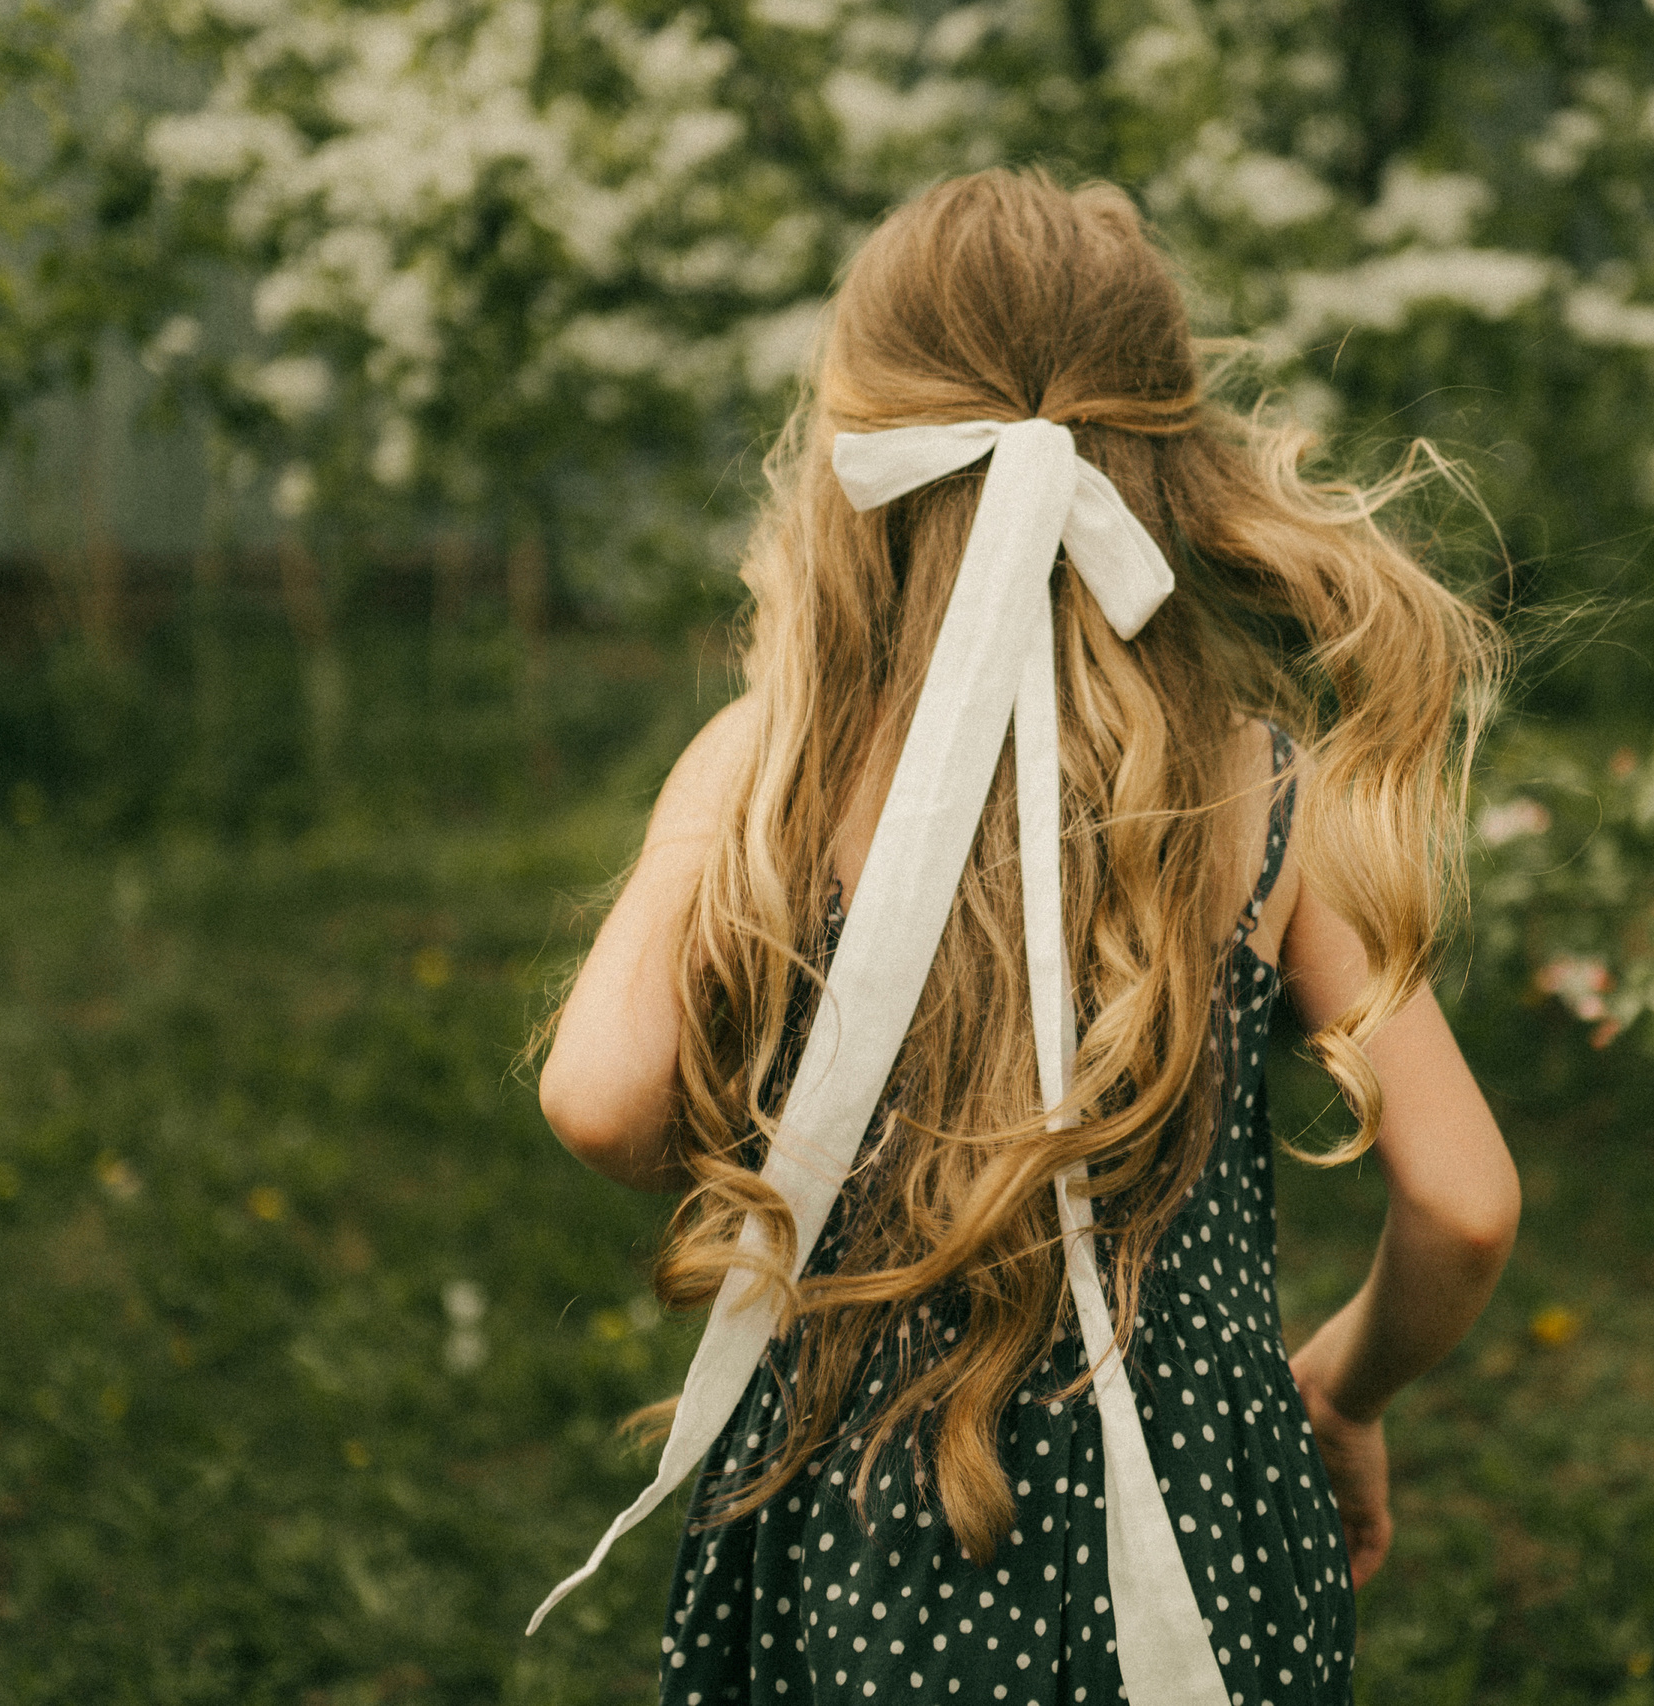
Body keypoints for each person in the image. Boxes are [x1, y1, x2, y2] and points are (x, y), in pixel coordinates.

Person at [533, 167, 1518, 1706]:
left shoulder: (769, 765)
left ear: (855, 451)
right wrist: (1341, 1383)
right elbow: (1463, 1204)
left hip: (861, 1538)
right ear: (1168, 460)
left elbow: (602, 1098)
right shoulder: (1262, 790)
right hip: (1200, 1538)